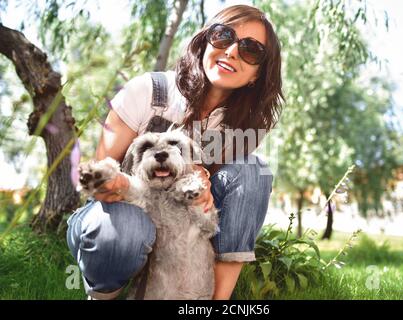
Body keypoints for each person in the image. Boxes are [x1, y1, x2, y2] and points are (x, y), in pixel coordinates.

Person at [66, 4, 283, 300]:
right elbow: (96, 184)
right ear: (206, 41)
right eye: (223, 36)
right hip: (122, 213)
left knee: (253, 171)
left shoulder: (243, 126)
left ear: (257, 74)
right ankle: (103, 296)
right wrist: (120, 182)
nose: (232, 51)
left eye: (251, 49)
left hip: (183, 230)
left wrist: (203, 185)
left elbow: (230, 205)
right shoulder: (148, 91)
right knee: (127, 228)